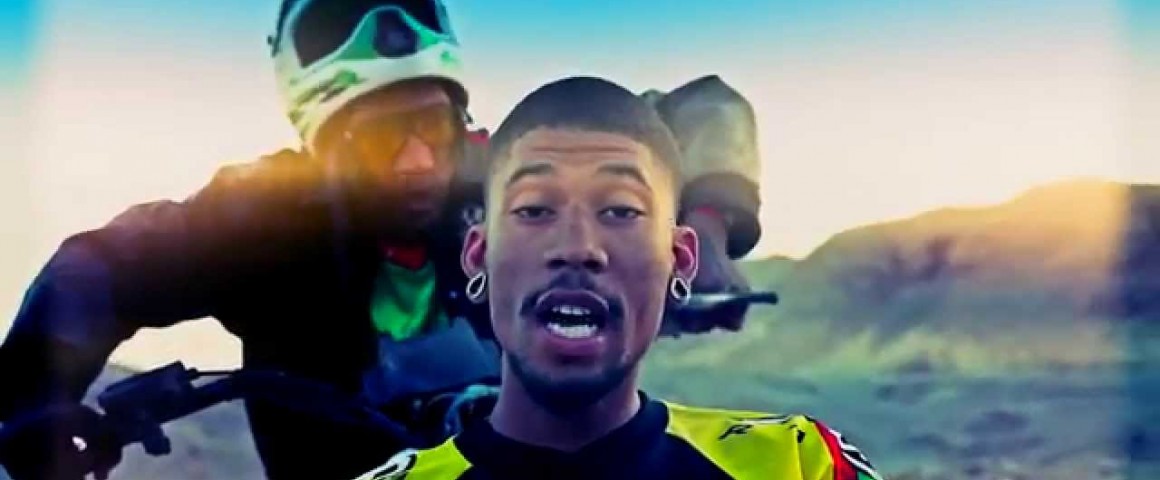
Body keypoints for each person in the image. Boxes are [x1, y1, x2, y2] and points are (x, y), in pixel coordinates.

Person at [0, 1, 762, 479]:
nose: (418, 162)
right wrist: (31, 401)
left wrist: (706, 222)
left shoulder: (505, 173)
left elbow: (703, 109)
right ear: (321, 147)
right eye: (380, 140)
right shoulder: (262, 218)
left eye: (432, 126)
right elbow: (98, 268)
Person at [352, 76, 884, 480]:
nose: (577, 247)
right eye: (535, 210)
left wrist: (714, 218)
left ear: (679, 259)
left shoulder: (799, 465)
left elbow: (708, 108)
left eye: (621, 210)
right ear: (478, 255)